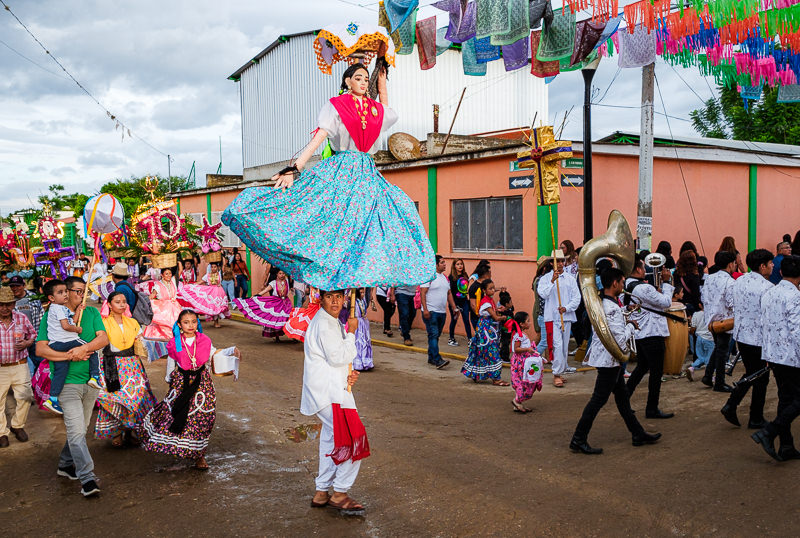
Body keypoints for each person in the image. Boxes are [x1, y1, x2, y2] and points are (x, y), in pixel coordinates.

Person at [221, 62, 435, 293]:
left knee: (387, 214)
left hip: (367, 172)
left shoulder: (372, 109)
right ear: (347, 81)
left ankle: (355, 277)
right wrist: (295, 167)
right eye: (358, 78)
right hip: (342, 168)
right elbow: (320, 136)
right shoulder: (337, 105)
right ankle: (326, 269)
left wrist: (382, 81)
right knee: (327, 217)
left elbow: (387, 112)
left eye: (366, 79)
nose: (363, 82)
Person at [570, 268, 662, 455]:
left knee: (622, 399)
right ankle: (578, 439)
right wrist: (630, 325)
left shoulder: (606, 303)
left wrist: (625, 311)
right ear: (614, 283)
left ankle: (637, 433)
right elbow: (620, 339)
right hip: (609, 359)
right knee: (598, 400)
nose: (623, 286)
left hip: (610, 359)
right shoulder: (610, 306)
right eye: (621, 282)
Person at [139, 309, 240, 470]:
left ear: (197, 323)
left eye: (194, 321)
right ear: (179, 325)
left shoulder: (204, 340)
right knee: (177, 413)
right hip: (181, 382)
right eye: (186, 322)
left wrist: (231, 350)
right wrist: (169, 379)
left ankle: (200, 455)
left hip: (202, 384)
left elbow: (215, 354)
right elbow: (171, 362)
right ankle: (183, 448)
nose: (190, 325)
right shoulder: (175, 343)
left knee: (203, 417)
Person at [35, 276, 108, 497]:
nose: (80, 295)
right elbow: (41, 350)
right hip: (67, 384)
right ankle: (87, 478)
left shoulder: (92, 313)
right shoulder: (51, 316)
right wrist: (68, 355)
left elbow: (103, 339)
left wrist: (82, 351)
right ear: (65, 292)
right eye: (77, 291)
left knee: (80, 429)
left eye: (83, 291)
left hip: (91, 383)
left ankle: (65, 464)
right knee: (77, 433)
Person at [302, 289, 368, 516]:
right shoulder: (326, 323)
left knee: (331, 441)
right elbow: (339, 356)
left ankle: (322, 491)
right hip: (330, 395)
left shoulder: (331, 321)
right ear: (321, 299)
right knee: (352, 438)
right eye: (330, 296)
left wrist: (347, 376)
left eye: (339, 297)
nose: (335, 301)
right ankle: (339, 492)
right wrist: (351, 332)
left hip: (331, 389)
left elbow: (334, 360)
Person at [751, 255, 800, 462]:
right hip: (791, 355)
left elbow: (764, 324)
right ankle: (770, 431)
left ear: (780, 272)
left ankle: (786, 445)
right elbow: (797, 330)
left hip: (774, 353)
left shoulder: (770, 292)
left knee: (786, 398)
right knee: (794, 399)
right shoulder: (795, 296)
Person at [721, 249, 775, 428]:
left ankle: (732, 405)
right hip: (758, 338)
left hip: (741, 335)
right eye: (770, 263)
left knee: (752, 373)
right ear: (762, 266)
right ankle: (755, 417)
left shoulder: (740, 280)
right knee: (760, 377)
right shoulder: (767, 287)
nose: (772, 266)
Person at [95, 291, 157, 447]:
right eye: (117, 301)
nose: (122, 304)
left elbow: (141, 341)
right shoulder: (102, 322)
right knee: (112, 398)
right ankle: (116, 432)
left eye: (124, 301)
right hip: (111, 365)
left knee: (134, 398)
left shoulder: (133, 323)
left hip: (132, 365)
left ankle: (129, 431)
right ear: (109, 304)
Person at [41, 279, 102, 415]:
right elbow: (67, 325)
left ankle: (52, 398)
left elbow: (72, 320)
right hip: (65, 342)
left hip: (56, 345)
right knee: (90, 349)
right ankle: (95, 376)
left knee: (60, 372)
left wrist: (78, 311)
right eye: (79, 291)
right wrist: (77, 330)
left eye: (84, 292)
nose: (83, 295)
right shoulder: (58, 308)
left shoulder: (58, 308)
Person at [624, 258, 675, 418]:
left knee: (642, 367)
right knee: (656, 372)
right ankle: (651, 408)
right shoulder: (643, 288)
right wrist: (666, 282)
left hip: (641, 332)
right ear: (638, 270)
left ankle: (623, 399)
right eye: (642, 267)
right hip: (652, 332)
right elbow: (666, 302)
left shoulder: (628, 284)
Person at [537, 250, 581, 388]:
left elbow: (577, 297)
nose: (560, 264)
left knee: (563, 347)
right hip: (552, 317)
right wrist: (552, 281)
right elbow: (543, 294)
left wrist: (567, 308)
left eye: (562, 261)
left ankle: (560, 371)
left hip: (565, 317)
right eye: (558, 261)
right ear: (552, 263)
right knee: (556, 345)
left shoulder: (570, 279)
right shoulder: (545, 279)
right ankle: (556, 374)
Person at [0, 286, 37, 448]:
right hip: (1, 368)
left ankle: (17, 425)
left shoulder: (21, 318)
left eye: (8, 304)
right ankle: (1, 432)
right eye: (1, 304)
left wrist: (27, 343)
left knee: (25, 397)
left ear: (14, 304)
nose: (4, 308)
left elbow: (33, 334)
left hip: (20, 365)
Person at [461, 279, 510, 386]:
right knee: (492, 352)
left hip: (488, 330)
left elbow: (493, 312)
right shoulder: (486, 302)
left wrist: (498, 309)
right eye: (490, 289)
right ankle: (496, 378)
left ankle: (476, 374)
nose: (493, 290)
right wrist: (504, 317)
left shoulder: (489, 300)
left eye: (493, 288)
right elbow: (496, 318)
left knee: (482, 351)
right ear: (484, 290)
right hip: (487, 331)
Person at [701, 251, 737, 392]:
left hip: (711, 320)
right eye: (734, 263)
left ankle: (708, 376)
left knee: (719, 348)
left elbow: (703, 297)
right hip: (724, 321)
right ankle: (719, 382)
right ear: (730, 264)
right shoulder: (730, 282)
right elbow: (731, 302)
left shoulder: (709, 278)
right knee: (722, 351)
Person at [234, 268, 294, 342]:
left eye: (283, 273)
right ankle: (276, 336)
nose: (282, 275)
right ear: (277, 274)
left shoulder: (287, 281)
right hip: (276, 302)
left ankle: (292, 336)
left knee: (288, 318)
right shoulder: (273, 282)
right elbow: (266, 290)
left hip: (286, 302)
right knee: (275, 319)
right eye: (280, 273)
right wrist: (257, 295)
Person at [420, 255, 455, 369]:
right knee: (434, 334)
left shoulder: (445, 278)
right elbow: (423, 293)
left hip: (441, 311)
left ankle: (431, 357)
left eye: (444, 262)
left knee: (435, 335)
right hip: (431, 311)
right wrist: (425, 309)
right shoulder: (428, 277)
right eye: (442, 262)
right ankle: (437, 359)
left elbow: (449, 293)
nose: (445, 264)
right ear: (435, 265)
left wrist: (454, 307)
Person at [507, 311, 543, 413]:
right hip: (520, 363)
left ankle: (518, 403)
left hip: (523, 362)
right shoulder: (519, 335)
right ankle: (517, 401)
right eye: (528, 321)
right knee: (524, 382)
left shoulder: (522, 334)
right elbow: (516, 349)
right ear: (522, 324)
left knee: (524, 382)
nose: (530, 323)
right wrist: (528, 349)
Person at [9, 275, 44, 376]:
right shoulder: (9, 302)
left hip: (35, 337)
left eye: (17, 285)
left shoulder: (33, 298)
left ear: (24, 285)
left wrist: (41, 336)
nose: (15, 288)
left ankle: (38, 386)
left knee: (39, 363)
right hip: (19, 340)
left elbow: (41, 316)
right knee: (26, 367)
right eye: (12, 286)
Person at [179, 262, 230, 329]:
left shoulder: (220, 274)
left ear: (217, 267)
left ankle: (216, 322)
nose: (213, 268)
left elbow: (223, 265)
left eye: (215, 267)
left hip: (219, 292)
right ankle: (215, 322)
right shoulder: (207, 275)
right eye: (212, 267)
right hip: (211, 292)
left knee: (218, 307)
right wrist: (191, 286)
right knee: (213, 307)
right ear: (210, 268)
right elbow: (201, 282)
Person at [338, 289, 374, 371]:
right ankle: (356, 363)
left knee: (365, 343)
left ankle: (365, 361)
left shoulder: (364, 301)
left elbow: (368, 293)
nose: (362, 294)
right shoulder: (352, 301)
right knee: (357, 343)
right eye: (360, 293)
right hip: (356, 324)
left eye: (363, 293)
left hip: (363, 325)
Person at [143, 267, 181, 342]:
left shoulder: (172, 282)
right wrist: (145, 302)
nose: (169, 275)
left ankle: (175, 340)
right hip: (164, 309)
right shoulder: (158, 285)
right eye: (166, 274)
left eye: (170, 273)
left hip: (175, 307)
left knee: (176, 323)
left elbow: (179, 271)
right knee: (165, 326)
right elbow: (152, 296)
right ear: (162, 275)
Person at [685, 304, 714, 381]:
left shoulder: (696, 314)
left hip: (699, 338)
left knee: (701, 357)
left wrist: (691, 332)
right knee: (710, 358)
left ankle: (692, 368)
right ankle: (710, 375)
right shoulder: (712, 313)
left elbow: (693, 327)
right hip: (709, 338)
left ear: (700, 305)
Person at [532, 258, 554, 359]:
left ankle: (548, 358)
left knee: (546, 340)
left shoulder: (538, 279)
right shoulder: (542, 281)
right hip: (544, 314)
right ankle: (531, 357)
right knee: (544, 340)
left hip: (543, 313)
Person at [447, 258, 471, 346]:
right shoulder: (451, 277)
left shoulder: (465, 275)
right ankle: (451, 338)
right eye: (457, 264)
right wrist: (453, 305)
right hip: (454, 302)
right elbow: (449, 291)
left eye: (461, 264)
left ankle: (470, 339)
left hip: (464, 301)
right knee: (454, 320)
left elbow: (466, 288)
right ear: (454, 266)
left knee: (466, 320)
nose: (460, 266)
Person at [674, 250, 702, 316]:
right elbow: (696, 295)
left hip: (679, 304)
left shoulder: (676, 273)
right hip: (690, 306)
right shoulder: (694, 276)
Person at [468, 264, 491, 330]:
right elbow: (473, 304)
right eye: (489, 272)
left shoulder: (485, 285)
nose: (490, 274)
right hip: (477, 318)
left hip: (485, 317)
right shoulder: (474, 287)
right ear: (485, 274)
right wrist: (480, 315)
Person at [497, 288, 515, 364]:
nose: (512, 303)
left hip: (507, 330)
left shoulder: (506, 311)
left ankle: (502, 355)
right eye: (510, 302)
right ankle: (505, 358)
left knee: (505, 343)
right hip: (505, 331)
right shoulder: (507, 313)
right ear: (507, 304)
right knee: (505, 344)